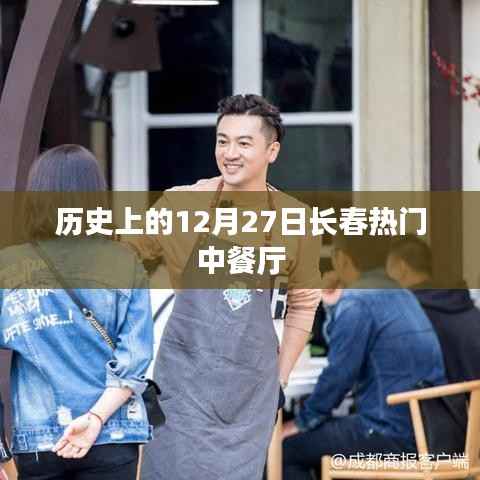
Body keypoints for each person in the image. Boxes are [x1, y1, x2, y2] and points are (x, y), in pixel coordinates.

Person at [132, 94, 322, 480]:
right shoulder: (180, 205)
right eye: (222, 141)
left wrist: (280, 378)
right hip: (182, 387)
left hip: (249, 391)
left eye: (243, 143)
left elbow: (303, 303)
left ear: (272, 151)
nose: (229, 153)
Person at [0, 145, 153, 479]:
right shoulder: (123, 262)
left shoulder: (8, 267)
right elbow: (135, 358)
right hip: (112, 433)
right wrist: (96, 418)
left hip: (40, 440)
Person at [282, 234, 446, 480]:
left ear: (341, 259)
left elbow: (339, 374)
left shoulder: (358, 301)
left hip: (389, 433)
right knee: (319, 437)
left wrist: (301, 422)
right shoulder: (403, 295)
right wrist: (333, 305)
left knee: (287, 448)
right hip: (429, 432)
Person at [387, 235, 480, 382]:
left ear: (401, 268)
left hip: (440, 395)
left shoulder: (407, 315)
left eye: (388, 270)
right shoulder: (465, 304)